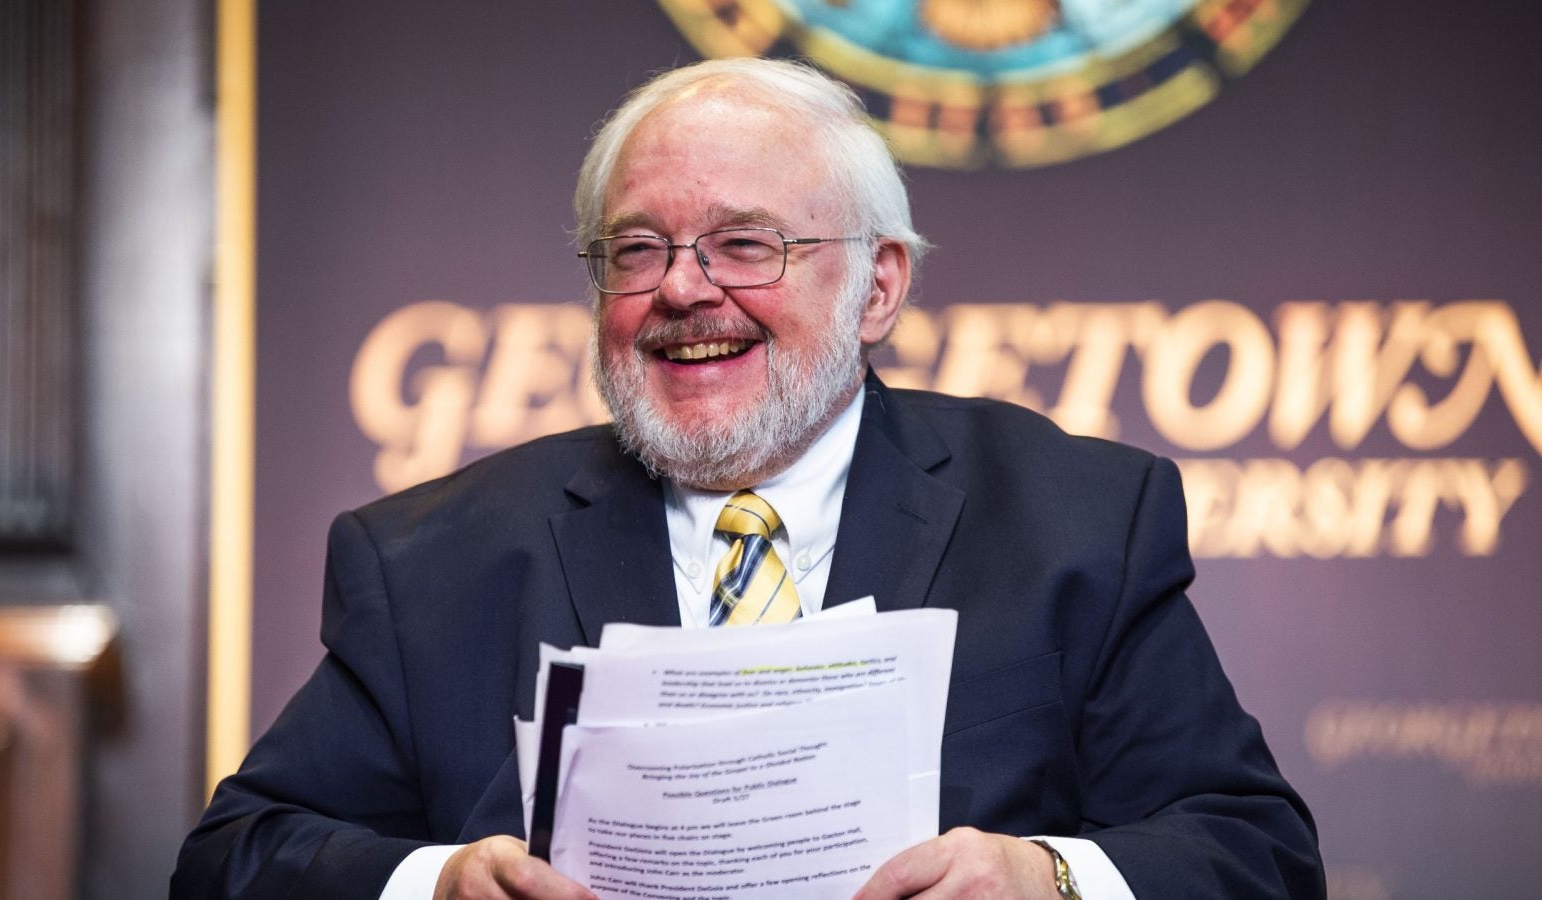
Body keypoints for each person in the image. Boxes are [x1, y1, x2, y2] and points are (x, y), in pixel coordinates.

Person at [173, 58, 1323, 900]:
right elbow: (234, 859)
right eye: (637, 250)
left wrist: (1050, 880)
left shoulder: (1076, 520)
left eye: (745, 245)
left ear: (876, 288)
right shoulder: (432, 560)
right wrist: (435, 886)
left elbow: (1253, 855)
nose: (682, 291)